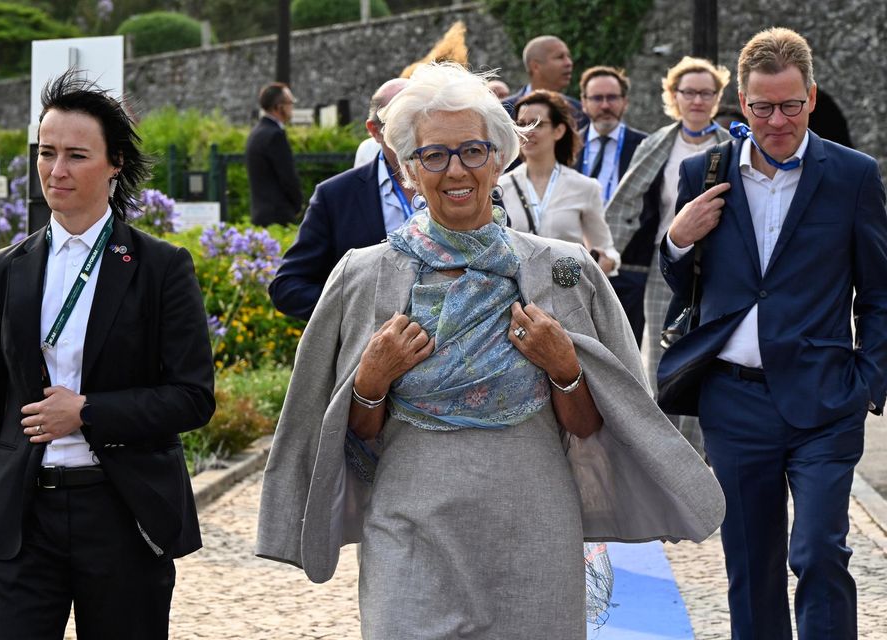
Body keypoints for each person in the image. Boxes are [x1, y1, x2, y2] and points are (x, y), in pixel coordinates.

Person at [256, 61, 724, 639]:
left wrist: (566, 368)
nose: (456, 170)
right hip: (410, 532)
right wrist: (370, 380)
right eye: (434, 155)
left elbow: (594, 429)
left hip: (533, 532)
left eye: (473, 151)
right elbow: (354, 436)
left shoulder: (562, 271)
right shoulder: (364, 276)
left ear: (500, 157)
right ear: (407, 168)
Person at [0, 71, 215, 639]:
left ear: (114, 164)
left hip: (122, 514)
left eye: (75, 156)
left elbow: (192, 398)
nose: (55, 171)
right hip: (20, 520)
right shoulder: (4, 268)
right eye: (46, 152)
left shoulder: (161, 268)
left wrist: (86, 411)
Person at [658, 28, 887, 638]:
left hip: (826, 397)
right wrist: (678, 237)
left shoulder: (853, 176)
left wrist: (870, 378)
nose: (777, 120)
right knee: (751, 564)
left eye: (790, 105)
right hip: (733, 401)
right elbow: (686, 285)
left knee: (818, 552)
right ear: (743, 100)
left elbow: (881, 292)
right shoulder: (701, 172)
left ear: (811, 98)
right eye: (762, 107)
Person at [604, 56, 731, 453]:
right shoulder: (657, 144)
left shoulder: (731, 146)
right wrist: (605, 254)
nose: (697, 100)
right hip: (667, 266)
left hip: (720, 270)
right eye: (689, 92)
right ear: (673, 96)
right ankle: (666, 452)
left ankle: (699, 452)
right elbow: (624, 203)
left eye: (706, 92)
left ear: (717, 97)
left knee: (710, 357)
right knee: (661, 359)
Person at [270, 78, 420, 320]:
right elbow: (287, 287)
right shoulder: (336, 196)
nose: (416, 137)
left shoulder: (459, 182)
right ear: (374, 131)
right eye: (401, 126)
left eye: (423, 122)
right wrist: (356, 311)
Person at [499, 89, 620, 275]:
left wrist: (608, 261)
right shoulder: (500, 188)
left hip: (568, 292)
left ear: (558, 131)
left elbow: (605, 247)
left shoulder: (585, 187)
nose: (527, 132)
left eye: (536, 124)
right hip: (517, 295)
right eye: (521, 124)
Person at [575, 66, 647, 204]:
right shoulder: (567, 145)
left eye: (612, 97)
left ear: (625, 102)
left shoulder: (645, 146)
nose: (605, 106)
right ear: (584, 103)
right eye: (597, 98)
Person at [245, 82, 302, 226]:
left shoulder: (256, 132)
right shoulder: (275, 135)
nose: (292, 107)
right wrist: (298, 205)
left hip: (260, 213)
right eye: (290, 103)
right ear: (279, 106)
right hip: (278, 215)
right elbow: (287, 177)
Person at [503, 35, 588, 130]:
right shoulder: (504, 111)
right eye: (560, 57)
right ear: (535, 66)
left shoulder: (579, 111)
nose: (569, 63)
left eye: (568, 57)